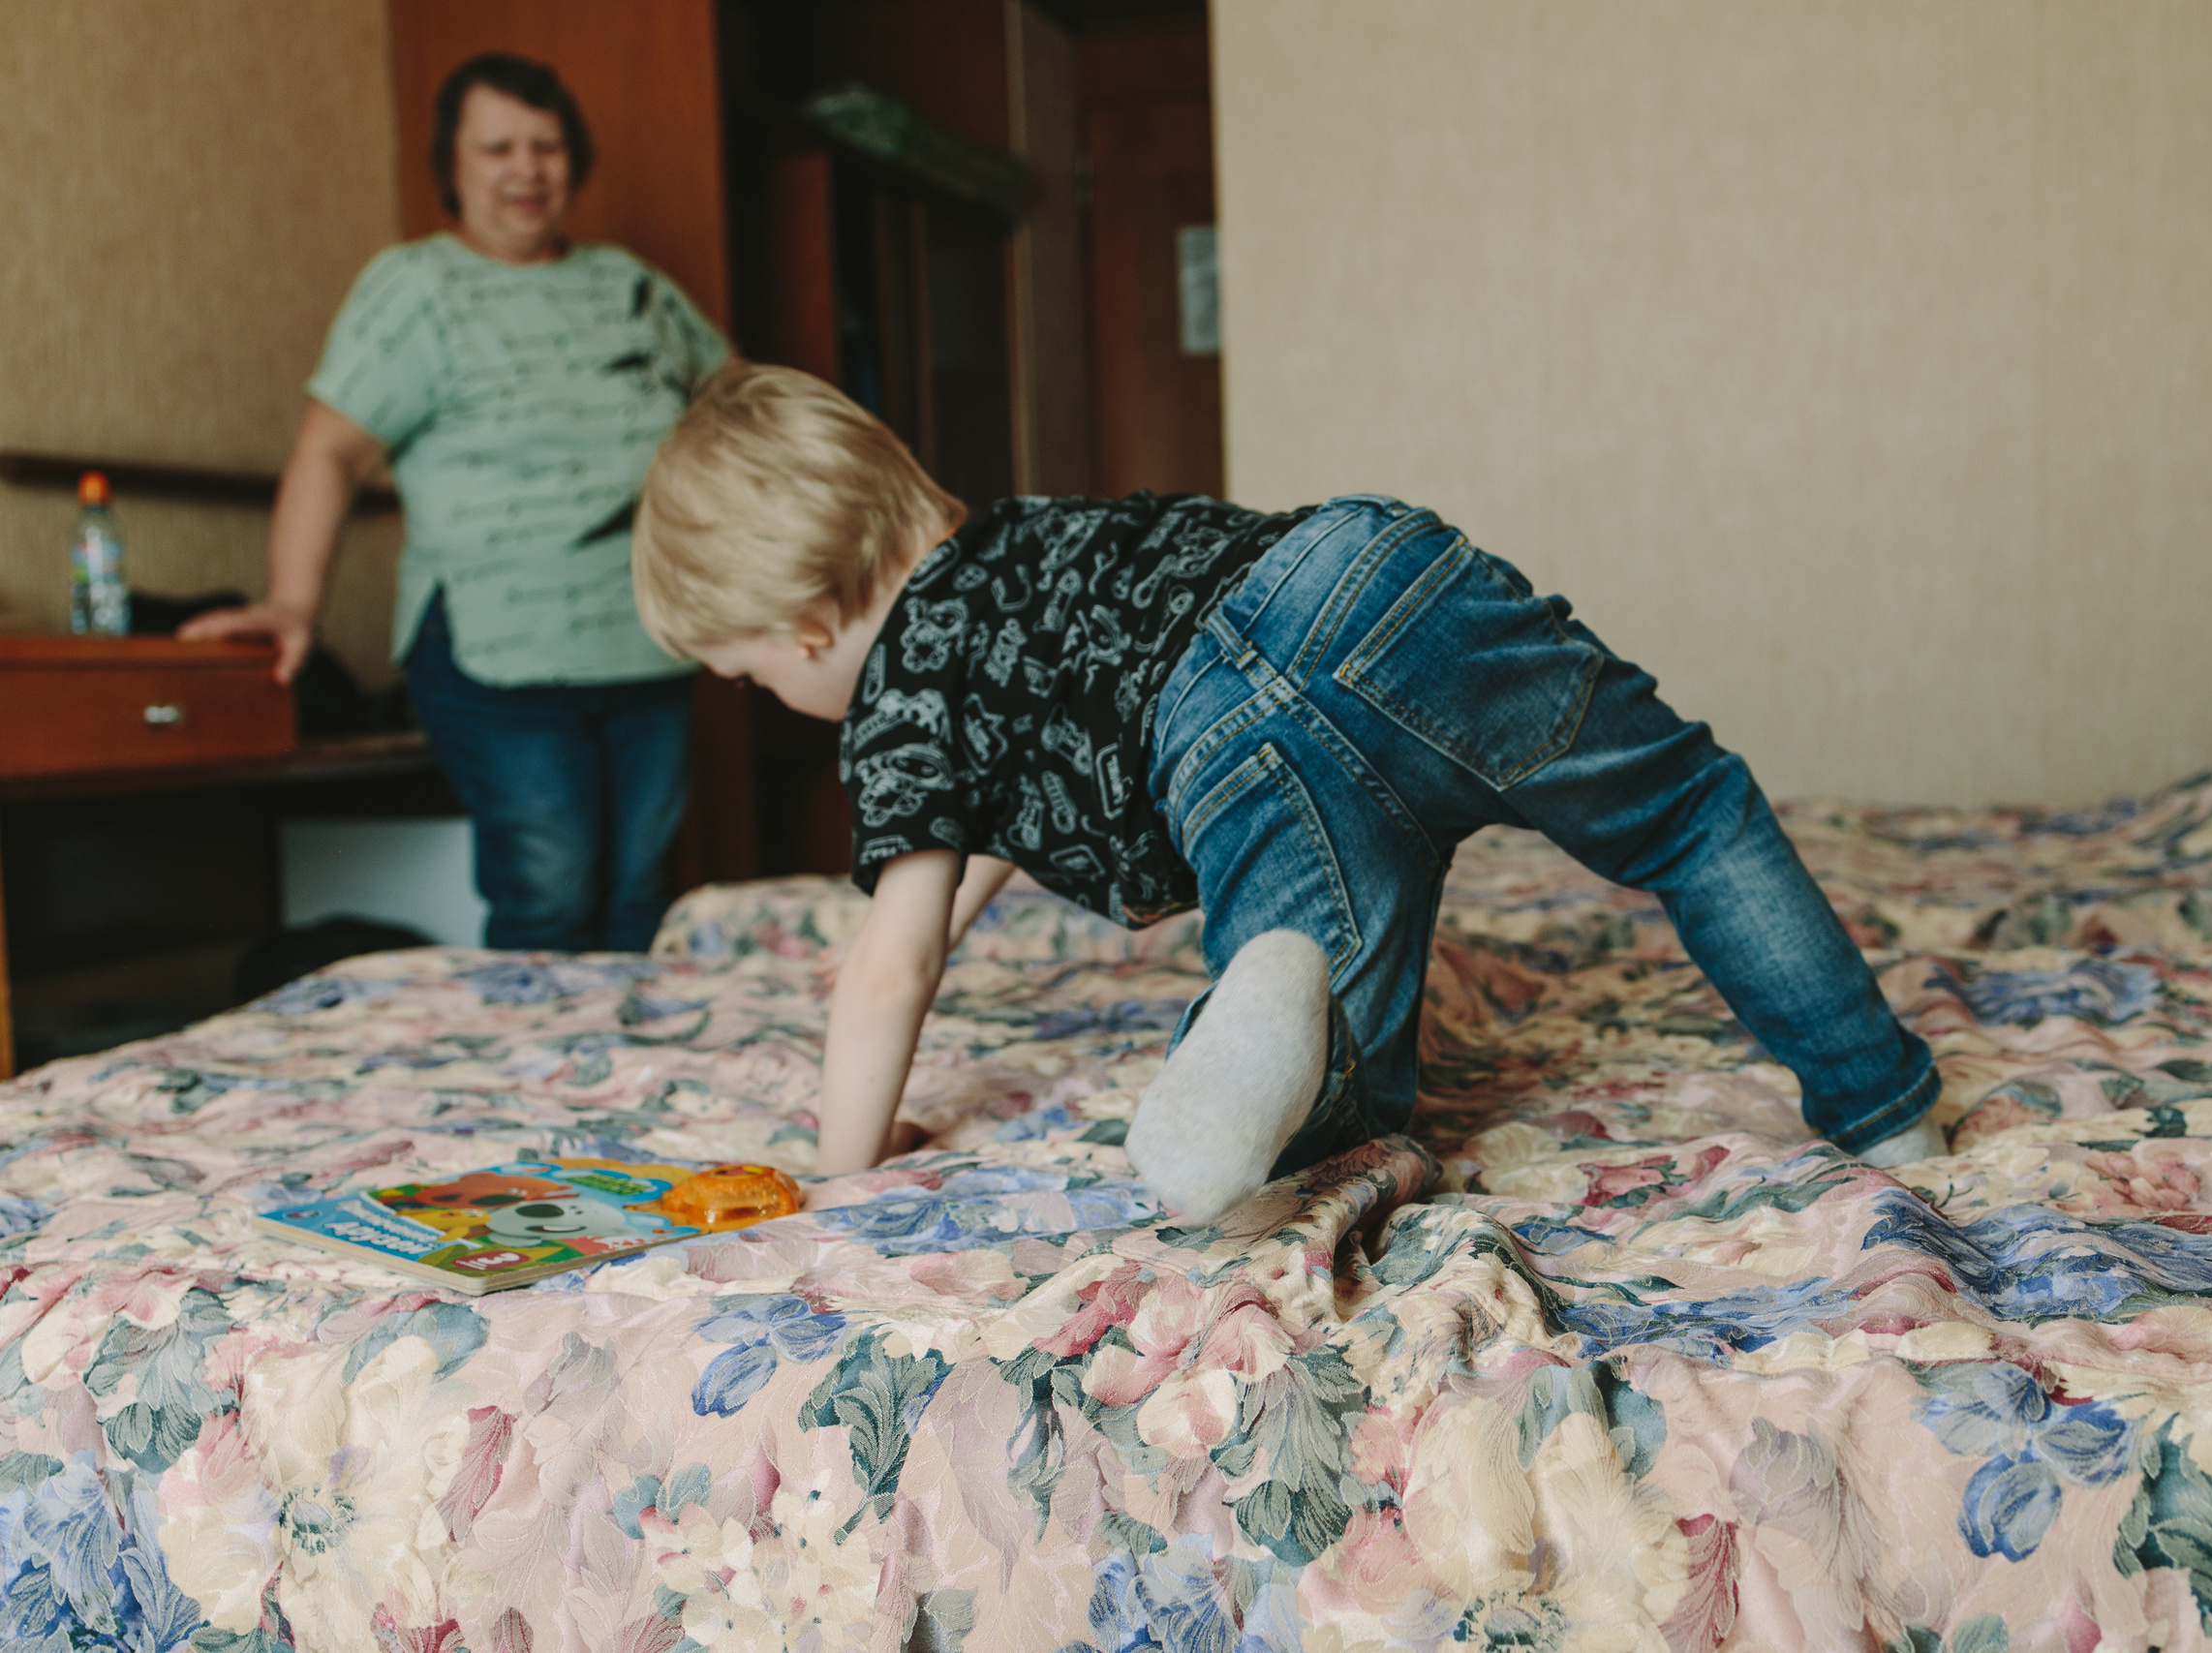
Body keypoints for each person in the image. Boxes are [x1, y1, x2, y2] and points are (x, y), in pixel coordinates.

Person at [631, 365, 1946, 1221]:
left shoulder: (904, 694)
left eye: (742, 673)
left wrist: (838, 1164)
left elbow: (890, 961)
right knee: (1691, 809)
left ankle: (1270, 990)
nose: (763, 691)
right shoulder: (1021, 535)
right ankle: (1886, 1107)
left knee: (1345, 1072)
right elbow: (1003, 811)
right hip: (1369, 576)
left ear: (807, 624)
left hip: (1231, 738)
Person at [183, 53, 730, 951]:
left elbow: (738, 405)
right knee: (552, 888)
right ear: (453, 163)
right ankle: (537, 1079)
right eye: (498, 147)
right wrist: (292, 605)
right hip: (496, 651)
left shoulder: (631, 285)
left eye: (547, 147)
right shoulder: (415, 290)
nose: (527, 170)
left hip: (651, 635)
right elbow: (329, 452)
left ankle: (628, 1080)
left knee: (643, 895)